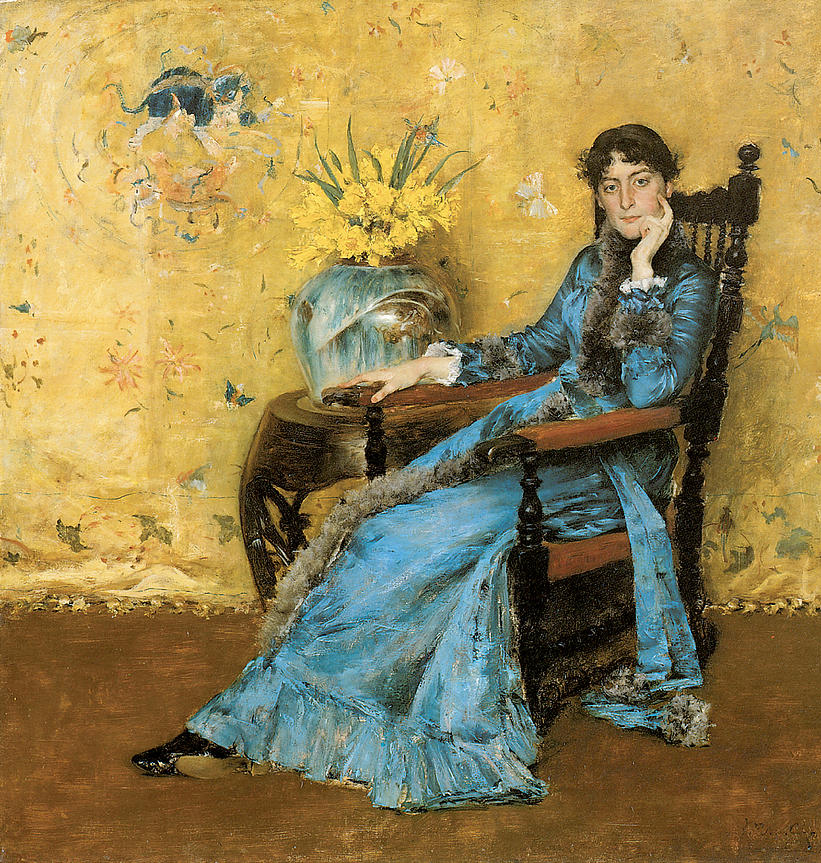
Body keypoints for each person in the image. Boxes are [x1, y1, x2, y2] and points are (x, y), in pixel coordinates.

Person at [132, 124, 719, 811]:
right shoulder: (590, 266)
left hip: (616, 462)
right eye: (610, 186)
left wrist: (644, 273)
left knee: (428, 533)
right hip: (550, 443)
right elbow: (535, 347)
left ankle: (303, 726)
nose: (625, 201)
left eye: (641, 182)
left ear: (667, 186)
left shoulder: (689, 280)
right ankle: (259, 720)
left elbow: (651, 393)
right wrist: (421, 367)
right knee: (388, 527)